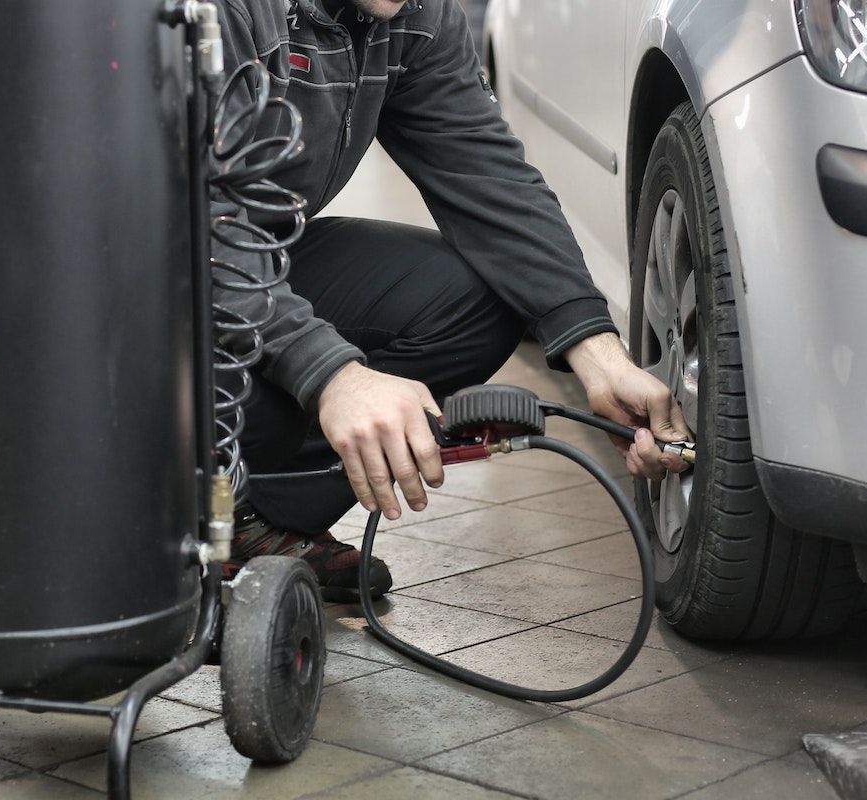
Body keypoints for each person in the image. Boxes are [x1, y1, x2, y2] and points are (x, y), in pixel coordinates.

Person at [212, 0, 691, 602]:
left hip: (245, 256)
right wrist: (332, 375)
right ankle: (143, 491)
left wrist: (598, 354)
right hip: (119, 283)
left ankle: (247, 515)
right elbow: (184, 219)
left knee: (478, 298)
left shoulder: (410, 13)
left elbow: (485, 173)